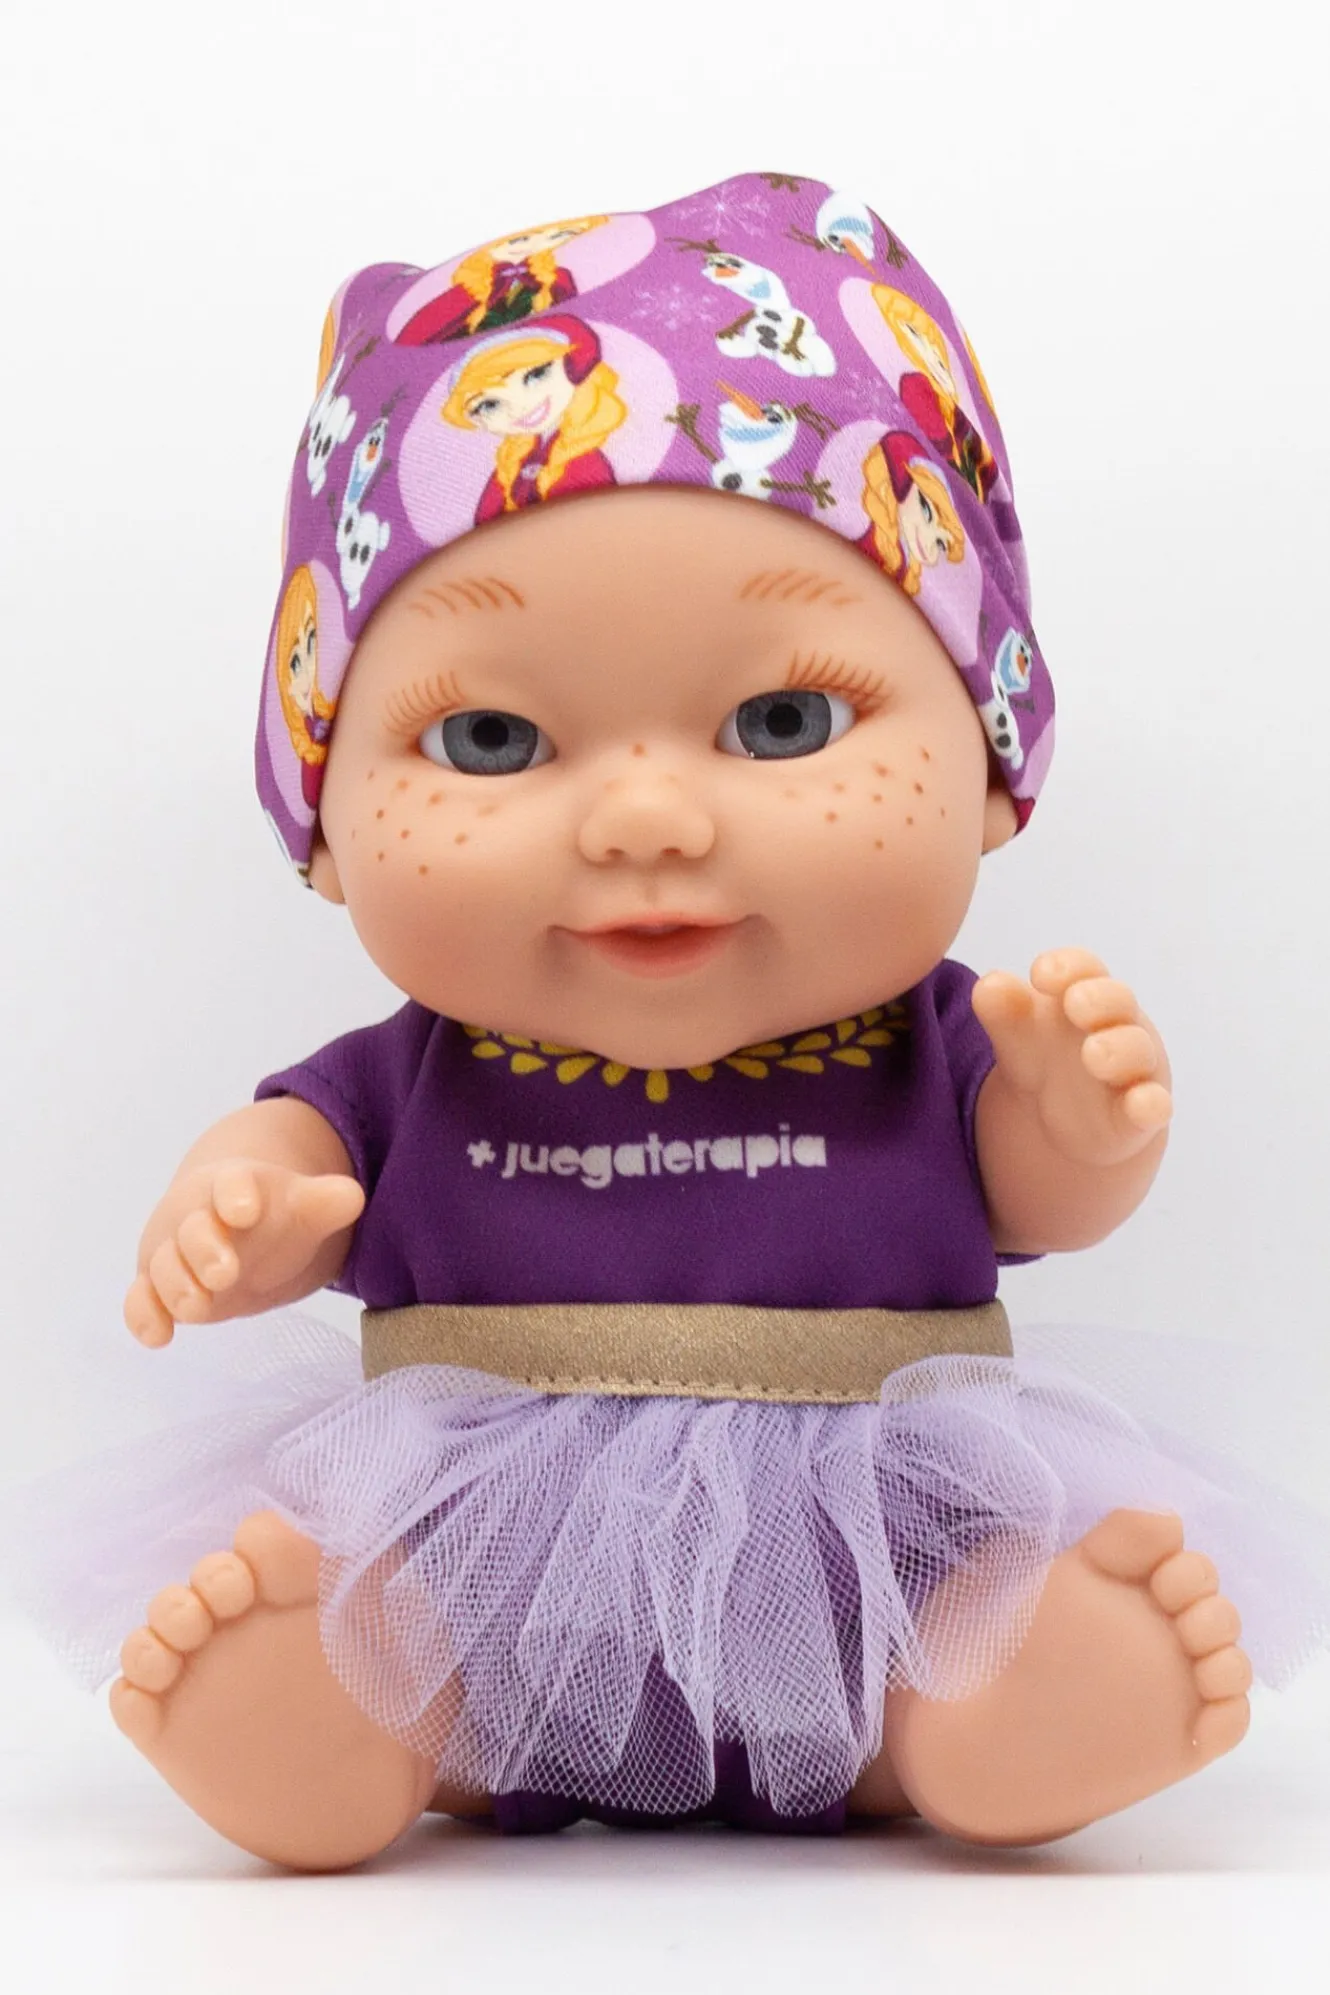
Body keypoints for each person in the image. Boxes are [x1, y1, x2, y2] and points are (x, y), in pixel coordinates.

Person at [7, 173, 1327, 1874]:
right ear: (324, 829)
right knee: (389, 1620)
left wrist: (1077, 1127)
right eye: (490, 741)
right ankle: (342, 1715)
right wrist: (242, 1207)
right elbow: (301, 1152)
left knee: (951, 1625)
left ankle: (998, 1712)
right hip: (486, 1540)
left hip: (869, 1526)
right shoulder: (415, 1076)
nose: (643, 817)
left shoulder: (933, 1042)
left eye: (780, 722)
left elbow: (1029, 1195)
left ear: (990, 763)